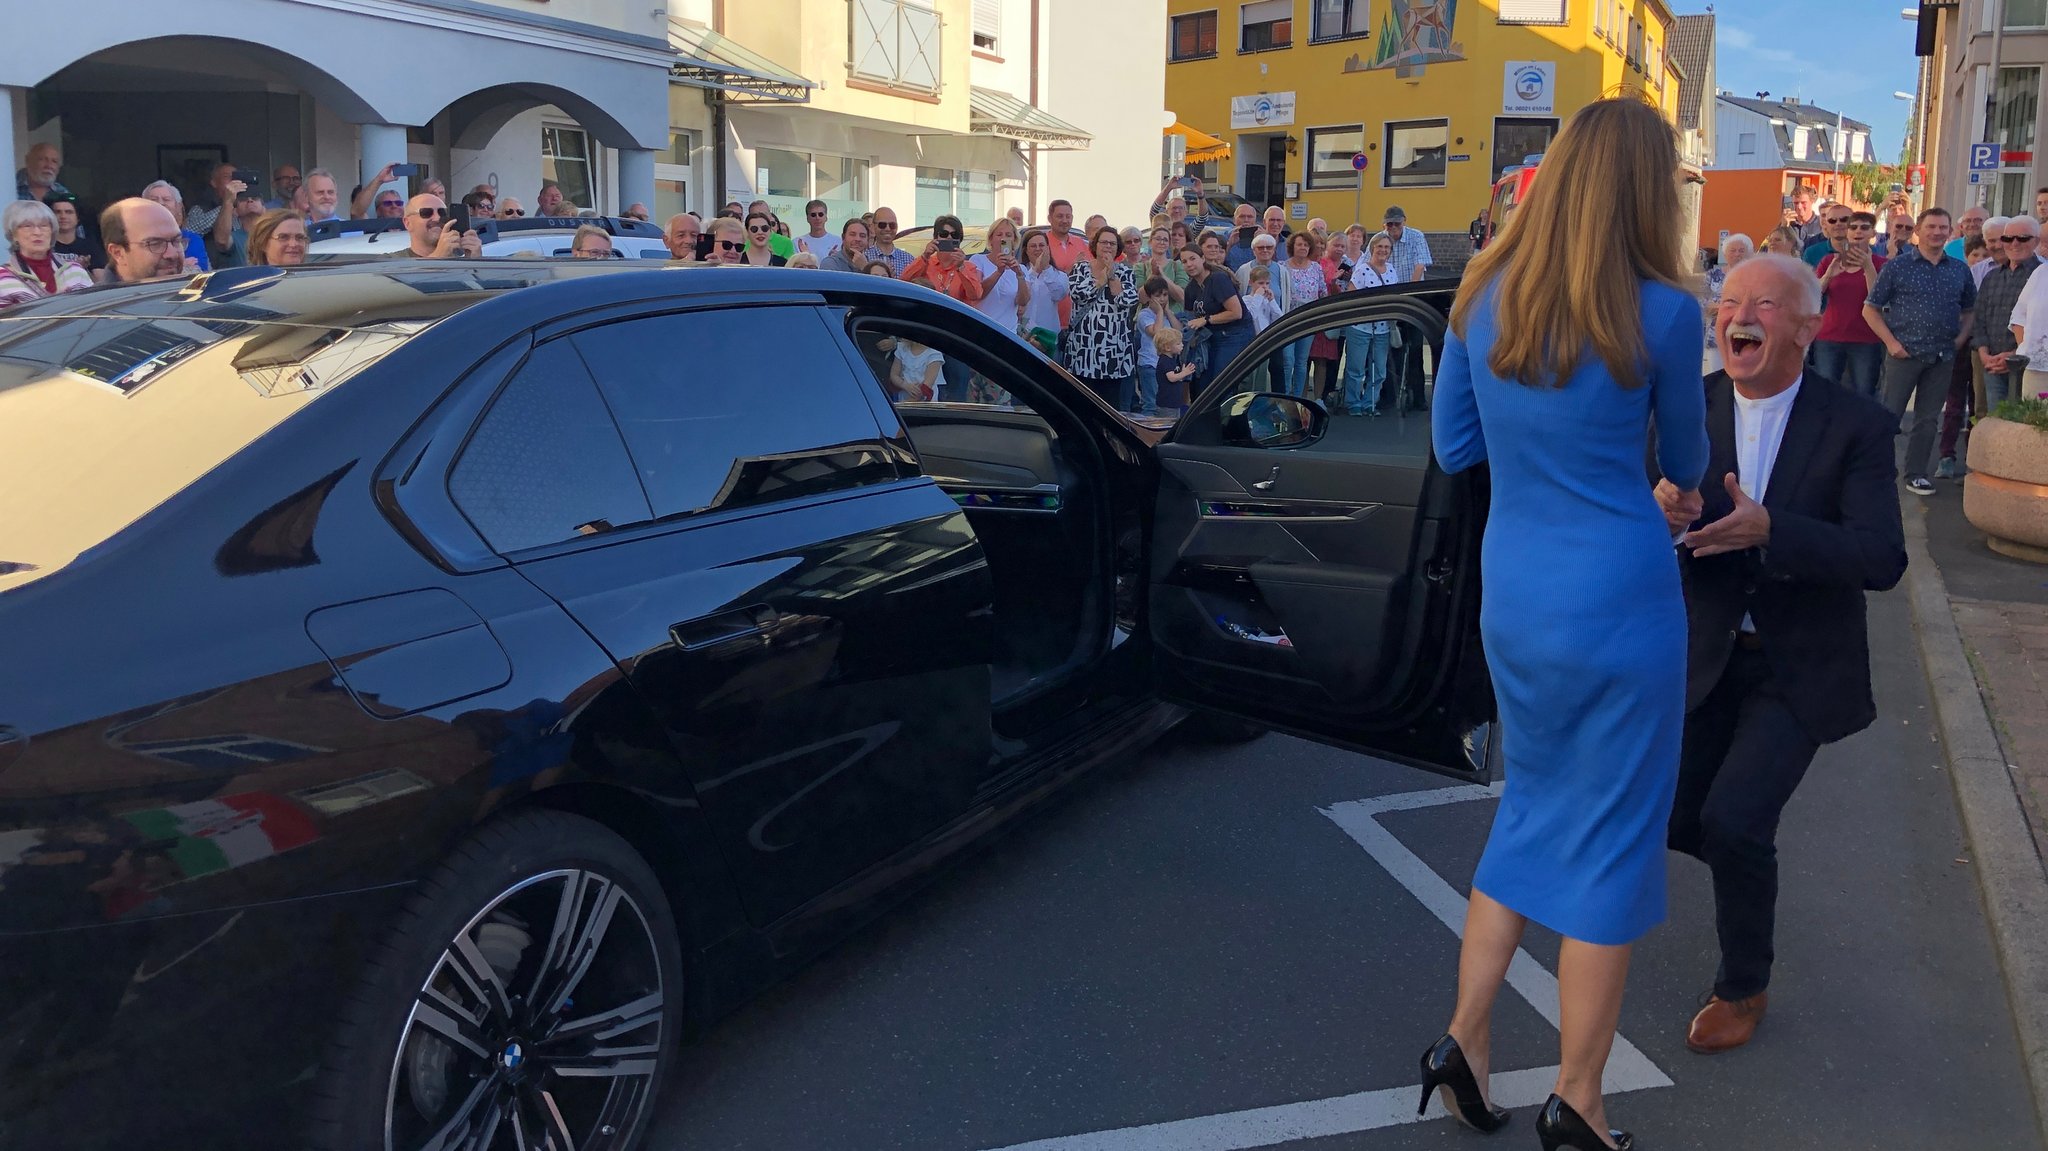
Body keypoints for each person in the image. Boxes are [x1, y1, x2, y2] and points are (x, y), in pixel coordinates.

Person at [1425, 97, 1709, 1151]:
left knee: (1530, 808)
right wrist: (1655, 479)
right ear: (1641, 189)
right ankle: (1577, 1097)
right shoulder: (1664, 312)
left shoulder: (1478, 295)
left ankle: (1463, 1038)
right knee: (1612, 843)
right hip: (1619, 598)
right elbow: (1682, 463)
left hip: (1519, 592)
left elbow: (1455, 450)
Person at [1655, 252, 1907, 1057]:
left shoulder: (1857, 423)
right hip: (1703, 653)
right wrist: (1656, 513)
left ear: (1804, 327)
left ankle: (1743, 983)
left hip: (1797, 664)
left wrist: (1774, 530)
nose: (1743, 314)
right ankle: (1744, 856)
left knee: (1734, 817)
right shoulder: (1686, 409)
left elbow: (1882, 558)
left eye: (1766, 303)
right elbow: (1634, 517)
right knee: (1676, 815)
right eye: (1730, 301)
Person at [1862, 207, 1976, 497]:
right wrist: (1891, 343)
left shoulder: (1959, 269)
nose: (1937, 232)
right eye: (1931, 227)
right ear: (1919, 231)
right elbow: (1870, 309)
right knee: (1889, 416)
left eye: (1943, 227)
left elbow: (1970, 310)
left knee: (1927, 420)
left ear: (1950, 232)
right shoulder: (1898, 267)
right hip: (1904, 354)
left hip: (1942, 356)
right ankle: (1876, 472)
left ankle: (1916, 474)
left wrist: (1960, 339)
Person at [1956, 213, 2038, 473]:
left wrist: (2014, 353)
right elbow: (1978, 319)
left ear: (2035, 241)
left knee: (2024, 423)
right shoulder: (1992, 276)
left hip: (2026, 363)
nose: (2014, 243)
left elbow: (2040, 326)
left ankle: (2016, 474)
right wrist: (1983, 352)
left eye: (2022, 238)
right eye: (2008, 238)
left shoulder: (2042, 276)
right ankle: (1988, 472)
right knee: (1991, 418)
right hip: (1990, 361)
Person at [1811, 212, 1886, 399]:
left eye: (1864, 227)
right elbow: (1813, 294)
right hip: (1829, 337)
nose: (1858, 231)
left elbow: (1878, 298)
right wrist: (1828, 275)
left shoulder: (1882, 264)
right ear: (1848, 232)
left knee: (1863, 392)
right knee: (1825, 391)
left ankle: (1860, 428)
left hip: (1866, 339)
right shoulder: (1830, 261)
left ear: (1872, 234)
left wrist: (1868, 267)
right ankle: (1827, 428)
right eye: (1853, 227)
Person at [1065, 226, 1141, 408]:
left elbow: (1127, 300)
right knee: (1081, 406)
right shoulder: (1080, 268)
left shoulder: (1125, 272)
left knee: (1109, 407)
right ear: (1095, 245)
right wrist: (1100, 281)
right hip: (1083, 350)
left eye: (1112, 243)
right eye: (1104, 242)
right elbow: (1078, 295)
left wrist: (1111, 274)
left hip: (1112, 352)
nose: (1108, 246)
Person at [1342, 233, 1399, 416]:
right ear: (1372, 248)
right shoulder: (1362, 270)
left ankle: (1370, 403)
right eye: (1379, 247)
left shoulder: (1391, 270)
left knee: (1379, 370)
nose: (1383, 250)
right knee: (1356, 369)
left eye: (1386, 247)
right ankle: (1353, 403)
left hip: (1382, 328)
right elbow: (1350, 298)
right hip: (1360, 327)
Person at [0, 199, 94, 308]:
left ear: (52, 232)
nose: (37, 232)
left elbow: (92, 312)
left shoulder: (75, 271)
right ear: (13, 235)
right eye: (27, 226)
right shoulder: (3, 277)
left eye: (43, 226)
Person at [1182, 243, 1250, 378]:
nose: (1189, 264)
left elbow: (1236, 312)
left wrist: (1206, 319)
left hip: (1234, 335)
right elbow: (1190, 317)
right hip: (1211, 337)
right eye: (1184, 261)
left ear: (1202, 258)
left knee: (1221, 380)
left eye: (1192, 258)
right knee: (1204, 381)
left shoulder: (1218, 279)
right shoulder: (1190, 288)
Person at [1278, 232, 1329, 397]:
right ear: (1292, 246)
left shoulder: (1316, 267)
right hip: (1288, 321)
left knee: (1301, 362)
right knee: (1288, 361)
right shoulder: (1282, 266)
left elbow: (1323, 294)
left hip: (1308, 321)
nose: (1303, 247)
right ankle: (1284, 396)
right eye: (1299, 244)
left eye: (1306, 245)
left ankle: (1298, 398)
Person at [99, 197, 192, 283]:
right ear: (118, 253)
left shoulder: (195, 295)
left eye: (176, 241)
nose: (172, 254)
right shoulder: (97, 301)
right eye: (155, 244)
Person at [900, 214, 983, 303]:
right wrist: (925, 256)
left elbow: (976, 295)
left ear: (960, 239)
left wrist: (961, 267)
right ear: (936, 237)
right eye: (944, 234)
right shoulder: (925, 263)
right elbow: (903, 283)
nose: (949, 237)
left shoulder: (968, 267)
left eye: (955, 235)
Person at [970, 216, 1031, 333]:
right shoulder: (978, 260)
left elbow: (1023, 301)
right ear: (991, 239)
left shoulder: (1021, 268)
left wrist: (1019, 275)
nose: (1003, 239)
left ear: (1014, 241)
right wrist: (999, 271)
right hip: (981, 331)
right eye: (999, 235)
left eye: (1008, 235)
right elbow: (977, 294)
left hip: (1008, 333)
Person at [1703, 233, 1752, 376]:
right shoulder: (1713, 274)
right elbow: (1703, 301)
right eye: (1733, 250)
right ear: (1725, 253)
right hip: (1715, 337)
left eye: (1742, 250)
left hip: (1744, 336)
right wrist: (1732, 308)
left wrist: (1720, 307)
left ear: (1749, 253)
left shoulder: (1754, 276)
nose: (1737, 254)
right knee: (1714, 378)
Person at [140, 181, 210, 272]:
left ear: (178, 206)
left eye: (166, 199)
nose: (161, 203)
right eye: (154, 200)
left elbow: (198, 273)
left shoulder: (191, 239)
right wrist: (182, 265)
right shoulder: (136, 238)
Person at [1135, 275, 1180, 415]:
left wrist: (1167, 312)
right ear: (1149, 297)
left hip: (1166, 366)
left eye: (1165, 295)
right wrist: (1160, 312)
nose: (1162, 299)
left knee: (1163, 404)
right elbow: (1157, 333)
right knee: (1151, 404)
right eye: (1158, 295)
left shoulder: (1168, 314)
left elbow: (1178, 331)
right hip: (1150, 364)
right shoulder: (1144, 315)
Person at [1018, 229, 1070, 342]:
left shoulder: (1059, 275)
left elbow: (1059, 295)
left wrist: (1046, 269)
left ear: (1047, 248)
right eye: (1033, 246)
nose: (1037, 249)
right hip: (1022, 336)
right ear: (1026, 250)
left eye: (1041, 245)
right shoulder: (1019, 273)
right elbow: (1020, 298)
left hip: (1048, 338)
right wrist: (1034, 272)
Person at [394, 194, 482, 259]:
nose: (437, 218)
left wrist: (474, 265)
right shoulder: (389, 261)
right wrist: (437, 257)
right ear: (407, 223)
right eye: (426, 213)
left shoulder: (460, 261)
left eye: (441, 212)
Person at [45, 193, 105, 277]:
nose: (63, 216)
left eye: (69, 212)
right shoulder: (43, 246)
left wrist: (82, 269)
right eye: (58, 212)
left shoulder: (90, 246)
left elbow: (101, 282)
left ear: (78, 217)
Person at [1378, 205, 1432, 282]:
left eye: (1397, 223)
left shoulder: (1416, 236)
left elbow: (1420, 266)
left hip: (1409, 288)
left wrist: (1411, 288)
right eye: (1389, 224)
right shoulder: (1378, 239)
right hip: (1386, 291)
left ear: (1404, 221)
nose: (1393, 227)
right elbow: (1366, 264)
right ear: (1384, 225)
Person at [1154, 325, 1198, 415]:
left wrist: (1182, 373)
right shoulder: (1165, 361)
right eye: (1178, 344)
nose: (1182, 345)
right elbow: (1172, 378)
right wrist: (1184, 373)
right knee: (1167, 425)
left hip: (1174, 403)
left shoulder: (1172, 359)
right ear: (1167, 347)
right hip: (1167, 404)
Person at [888, 335, 945, 402]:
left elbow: (928, 384)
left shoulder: (934, 354)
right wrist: (904, 385)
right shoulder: (902, 348)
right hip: (903, 398)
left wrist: (909, 402)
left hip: (924, 402)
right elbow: (894, 375)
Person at [245, 209, 310, 267]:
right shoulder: (251, 280)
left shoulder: (316, 278)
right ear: (263, 243)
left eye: (300, 237)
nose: (293, 244)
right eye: (283, 237)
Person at [864, 206, 913, 276]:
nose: (887, 229)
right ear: (873, 226)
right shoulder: (865, 256)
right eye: (882, 225)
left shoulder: (909, 260)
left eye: (892, 225)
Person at [1800, 204, 1850, 269]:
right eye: (1832, 220)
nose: (1838, 223)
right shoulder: (1811, 252)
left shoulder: (1865, 251)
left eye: (1844, 219)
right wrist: (1827, 276)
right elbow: (1805, 278)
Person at [1224, 203, 1259, 270]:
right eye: (1242, 216)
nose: (1246, 220)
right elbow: (1217, 262)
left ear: (1255, 220)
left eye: (1250, 217)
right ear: (1234, 220)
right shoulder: (1225, 237)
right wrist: (1229, 245)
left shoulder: (1260, 237)